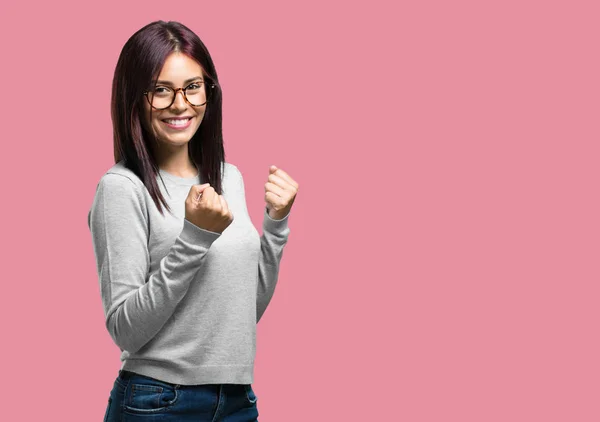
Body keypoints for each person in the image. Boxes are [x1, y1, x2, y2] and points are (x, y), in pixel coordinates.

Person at [87, 20, 298, 421]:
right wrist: (195, 237)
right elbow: (124, 329)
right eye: (160, 90)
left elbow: (240, 312)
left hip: (237, 401)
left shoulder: (227, 177)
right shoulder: (121, 188)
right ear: (134, 97)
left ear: (209, 92)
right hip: (156, 401)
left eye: (193, 87)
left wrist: (276, 226)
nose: (180, 104)